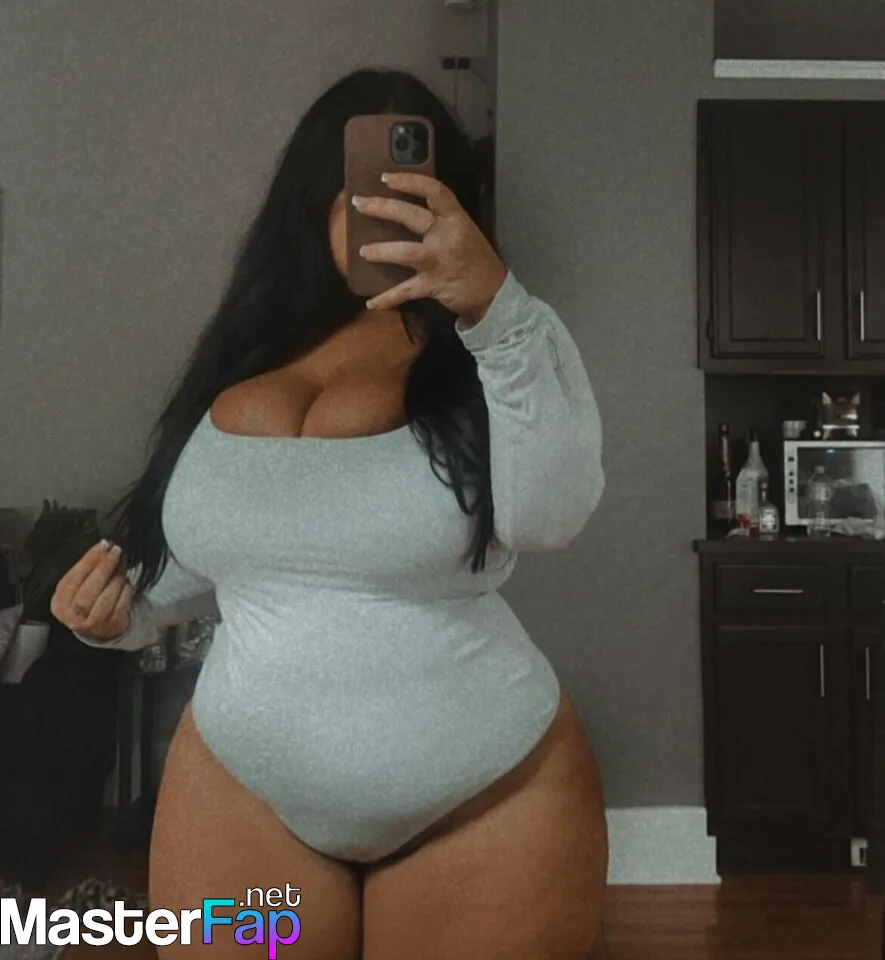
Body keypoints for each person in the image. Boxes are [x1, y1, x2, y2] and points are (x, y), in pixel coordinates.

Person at [51, 68, 608, 959]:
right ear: (311, 197)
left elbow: (551, 518)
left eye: (409, 183)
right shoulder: (245, 353)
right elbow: (222, 560)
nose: (378, 206)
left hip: (484, 794)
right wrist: (124, 616)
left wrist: (496, 308)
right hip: (242, 788)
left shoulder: (494, 348)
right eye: (353, 183)